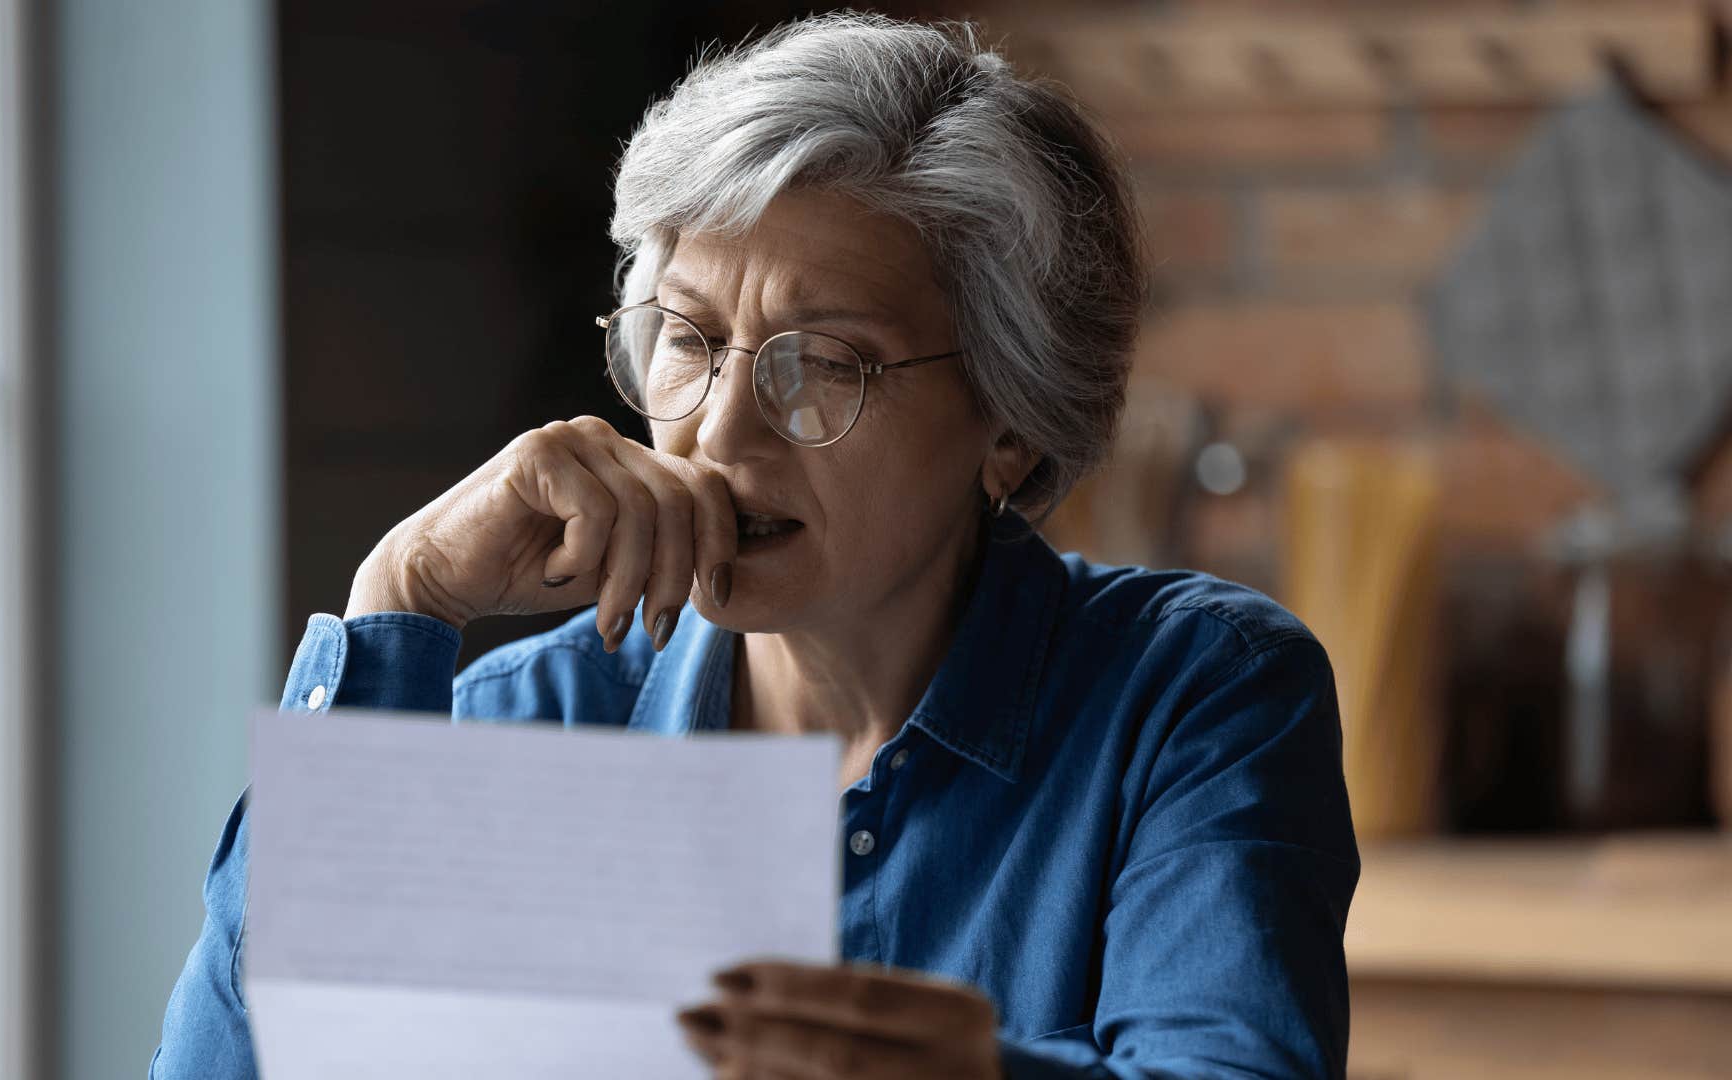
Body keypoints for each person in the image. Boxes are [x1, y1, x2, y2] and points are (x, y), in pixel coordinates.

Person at [152, 13, 1358, 1079]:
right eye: (685, 338)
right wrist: (396, 604)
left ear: (1009, 420)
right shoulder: (536, 719)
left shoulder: (1193, 696)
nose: (721, 432)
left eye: (824, 362)